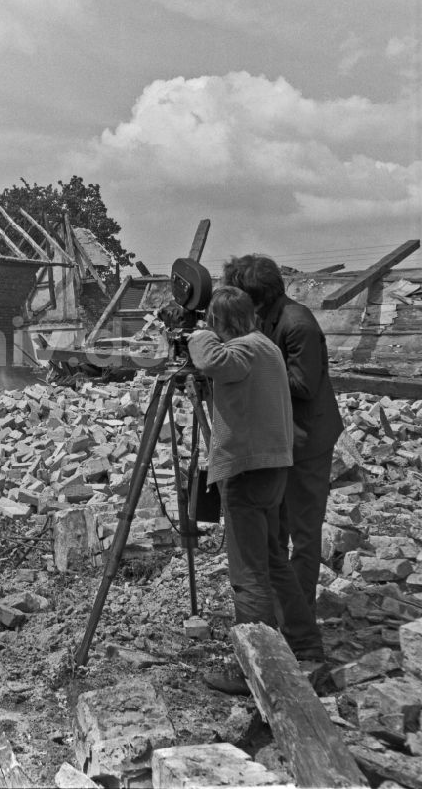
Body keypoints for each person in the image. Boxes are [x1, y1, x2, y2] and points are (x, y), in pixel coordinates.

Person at [188, 286, 324, 693]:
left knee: (247, 574)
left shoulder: (244, 349)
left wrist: (197, 335)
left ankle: (257, 666)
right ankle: (305, 645)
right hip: (272, 466)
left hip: (248, 470)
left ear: (220, 322)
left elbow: (212, 359)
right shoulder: (266, 345)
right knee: (273, 560)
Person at [222, 255, 343, 617]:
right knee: (275, 530)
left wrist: (250, 371)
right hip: (279, 437)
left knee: (303, 534)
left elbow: (304, 385)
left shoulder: (297, 323)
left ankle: (299, 618)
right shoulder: (261, 317)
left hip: (307, 440)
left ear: (255, 298)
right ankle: (275, 611)